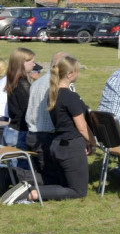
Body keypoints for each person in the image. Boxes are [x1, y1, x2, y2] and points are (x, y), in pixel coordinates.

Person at [1, 57, 91, 205]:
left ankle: (20, 179)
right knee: (78, 191)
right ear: (69, 74)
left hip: (52, 142)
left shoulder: (50, 92)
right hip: (63, 142)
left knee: (56, 179)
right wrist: (92, 142)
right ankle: (30, 192)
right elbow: (81, 127)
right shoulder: (69, 95)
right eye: (77, 71)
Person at [25, 51, 70, 174]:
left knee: (38, 174)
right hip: (47, 136)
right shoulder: (61, 85)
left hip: (32, 134)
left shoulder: (37, 83)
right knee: (49, 177)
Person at [3, 47, 36, 153]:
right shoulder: (22, 84)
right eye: (32, 62)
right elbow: (28, 108)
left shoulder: (13, 80)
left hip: (12, 130)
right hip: (19, 133)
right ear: (23, 63)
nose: (34, 64)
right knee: (22, 168)